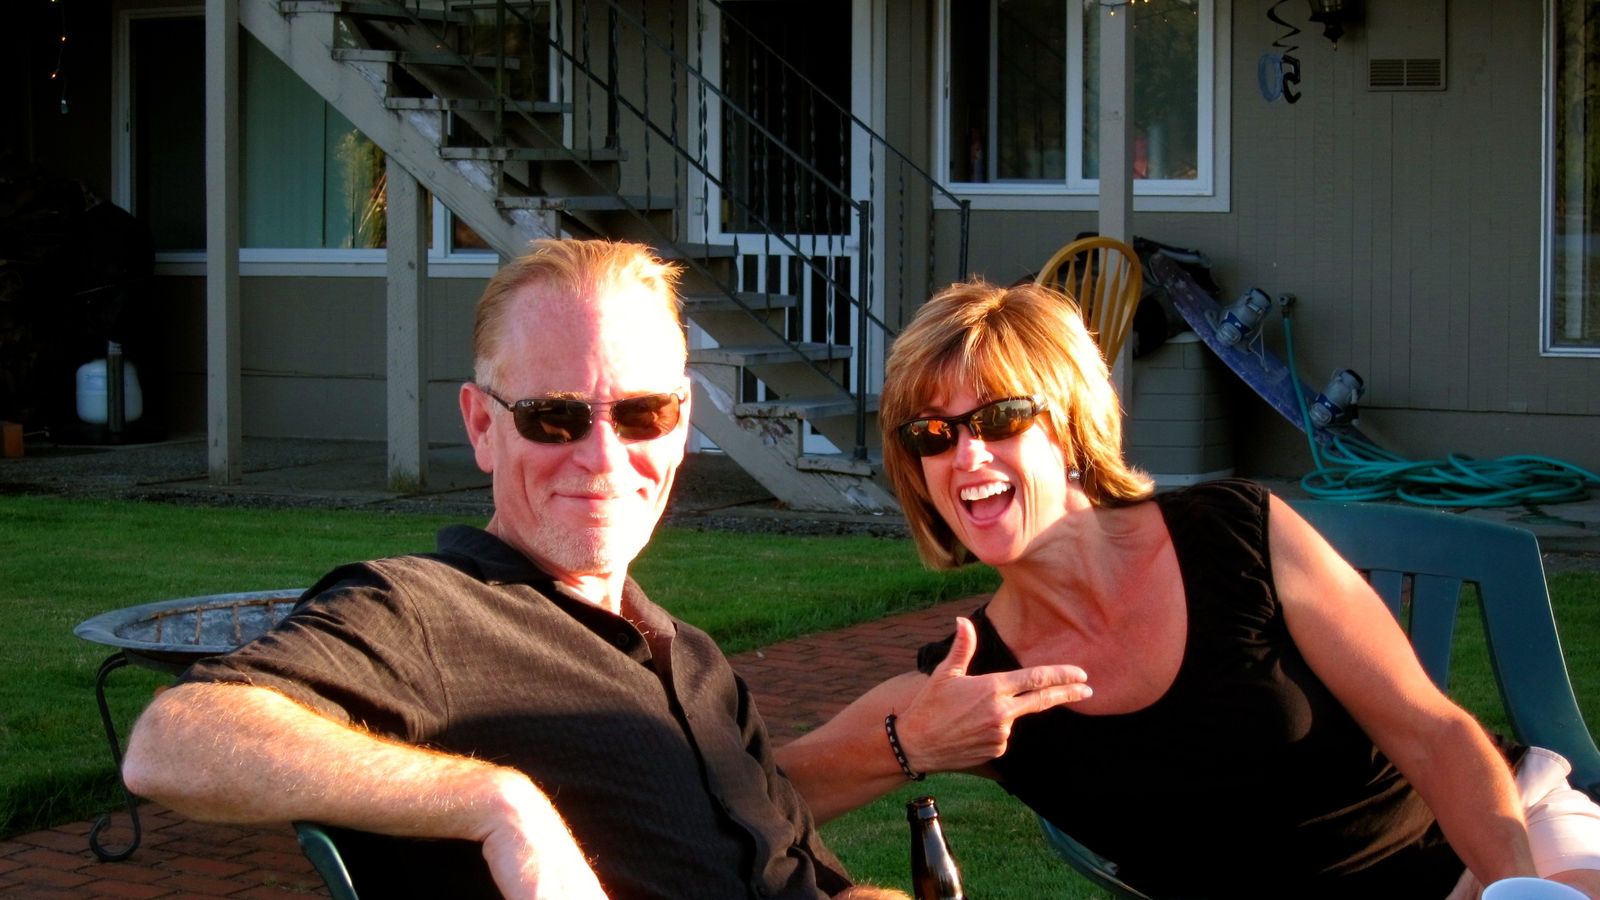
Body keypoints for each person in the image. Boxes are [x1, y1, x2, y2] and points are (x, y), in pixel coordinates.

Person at [122, 239, 903, 899]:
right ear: (480, 426)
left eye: (643, 414)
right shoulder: (423, 611)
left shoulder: (696, 663)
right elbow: (175, 739)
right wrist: (499, 803)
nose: (602, 458)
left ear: (682, 422)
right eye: (553, 416)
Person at [775, 278, 1600, 899]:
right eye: (932, 433)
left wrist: (1515, 890)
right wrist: (909, 743)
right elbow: (754, 797)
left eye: (998, 418)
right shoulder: (968, 687)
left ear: (1068, 425)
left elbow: (1432, 733)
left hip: (1495, 846)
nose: (967, 455)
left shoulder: (1236, 533)